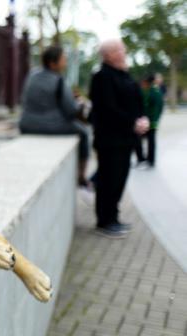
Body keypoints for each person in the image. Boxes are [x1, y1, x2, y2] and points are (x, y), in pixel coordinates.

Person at [89, 39, 149, 238]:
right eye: (120, 49)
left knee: (120, 179)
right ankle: (104, 221)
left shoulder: (124, 74)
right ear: (110, 54)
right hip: (110, 140)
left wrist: (142, 119)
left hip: (125, 139)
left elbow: (136, 101)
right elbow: (108, 109)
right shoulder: (102, 77)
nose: (124, 52)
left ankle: (113, 217)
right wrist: (132, 122)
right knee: (108, 180)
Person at [20, 45, 90, 186]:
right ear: (53, 63)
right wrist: (80, 104)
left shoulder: (32, 75)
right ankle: (81, 176)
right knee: (84, 132)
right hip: (49, 125)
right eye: (63, 59)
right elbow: (70, 110)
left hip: (26, 124)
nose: (65, 62)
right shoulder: (58, 80)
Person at [135, 75, 163, 167]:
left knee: (143, 140)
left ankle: (146, 159)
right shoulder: (155, 91)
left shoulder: (151, 91)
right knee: (149, 140)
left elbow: (148, 106)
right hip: (151, 120)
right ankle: (147, 159)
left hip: (148, 121)